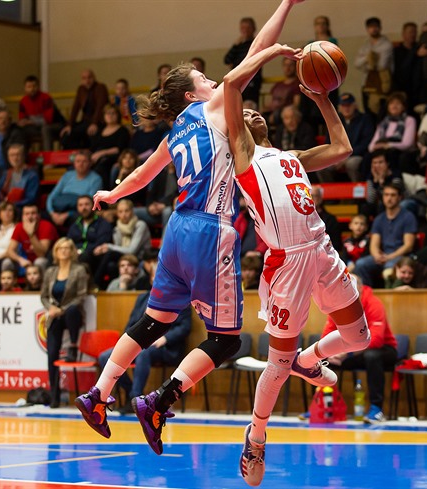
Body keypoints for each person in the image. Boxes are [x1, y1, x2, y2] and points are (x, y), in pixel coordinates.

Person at [75, 0, 308, 455]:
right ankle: (159, 401)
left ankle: (98, 394)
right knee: (225, 340)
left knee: (154, 319)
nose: (211, 81)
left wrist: (110, 195)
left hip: (176, 230)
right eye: (204, 79)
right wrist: (282, 18)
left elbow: (142, 176)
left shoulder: (176, 129)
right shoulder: (215, 106)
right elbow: (250, 57)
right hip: (209, 228)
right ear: (192, 94)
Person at [223, 41, 370, 486]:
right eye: (244, 115)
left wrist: (322, 98)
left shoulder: (292, 158)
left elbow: (342, 146)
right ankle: (256, 436)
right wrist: (268, 56)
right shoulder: (244, 156)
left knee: (358, 339)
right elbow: (231, 84)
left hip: (321, 250)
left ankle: (311, 358)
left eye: (254, 112)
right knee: (277, 363)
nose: (251, 115)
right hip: (286, 263)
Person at [99, 282, 192, 414]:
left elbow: (185, 327)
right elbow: (131, 324)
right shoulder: (142, 298)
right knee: (105, 356)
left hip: (165, 347)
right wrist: (129, 342)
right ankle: (133, 394)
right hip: (140, 343)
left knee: (144, 354)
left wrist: (165, 338)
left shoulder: (180, 298)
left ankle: (134, 397)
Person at [322, 274, 395, 424]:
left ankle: (376, 409)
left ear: (360, 287)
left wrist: (347, 353)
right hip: (350, 351)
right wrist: (331, 352)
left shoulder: (374, 303)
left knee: (372, 356)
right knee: (320, 359)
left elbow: (376, 339)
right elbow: (327, 334)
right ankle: (322, 407)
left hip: (383, 350)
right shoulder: (337, 306)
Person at [41, 237, 89, 408]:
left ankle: (73, 347)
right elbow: (44, 296)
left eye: (68, 248)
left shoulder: (79, 270)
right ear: (56, 251)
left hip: (71, 313)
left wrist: (63, 309)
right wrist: (51, 308)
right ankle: (54, 394)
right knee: (52, 354)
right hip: (55, 315)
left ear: (72, 251)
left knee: (72, 311)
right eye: (60, 248)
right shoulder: (50, 272)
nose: (64, 251)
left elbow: (81, 295)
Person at [353, 182, 417, 287]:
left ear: (400, 197)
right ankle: (366, 295)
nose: (389, 198)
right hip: (383, 256)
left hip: (401, 257)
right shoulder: (379, 219)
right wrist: (377, 255)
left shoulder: (408, 217)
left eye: (393, 195)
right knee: (361, 264)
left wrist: (389, 257)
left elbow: (408, 246)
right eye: (386, 195)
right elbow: (374, 244)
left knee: (390, 266)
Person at [316, 92, 375, 183]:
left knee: (352, 164)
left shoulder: (365, 119)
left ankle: (358, 193)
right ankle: (332, 195)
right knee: (321, 167)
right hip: (338, 156)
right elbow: (329, 142)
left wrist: (345, 157)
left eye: (349, 105)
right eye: (343, 105)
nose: (346, 108)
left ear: (354, 106)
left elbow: (366, 143)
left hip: (357, 155)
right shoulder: (335, 121)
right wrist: (335, 157)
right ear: (339, 107)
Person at [92, 198, 151, 289]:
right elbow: (119, 249)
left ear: (132, 211)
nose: (124, 215)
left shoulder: (140, 225)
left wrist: (108, 246)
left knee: (110, 253)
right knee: (110, 265)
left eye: (126, 211)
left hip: (139, 258)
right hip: (124, 258)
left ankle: (95, 283)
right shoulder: (117, 228)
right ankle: (110, 289)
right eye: (120, 212)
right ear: (117, 213)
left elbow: (132, 250)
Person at [46, 150, 103, 228]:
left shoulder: (96, 179)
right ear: (74, 163)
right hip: (59, 208)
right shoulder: (67, 175)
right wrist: (52, 213)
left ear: (90, 163)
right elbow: (52, 196)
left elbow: (88, 203)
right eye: (78, 161)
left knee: (78, 218)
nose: (81, 164)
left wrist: (68, 214)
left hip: (78, 211)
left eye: (84, 161)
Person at [67, 194, 113, 282]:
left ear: (93, 205)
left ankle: (91, 284)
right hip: (76, 254)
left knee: (85, 256)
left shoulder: (102, 223)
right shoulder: (75, 225)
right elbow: (69, 241)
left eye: (86, 204)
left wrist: (82, 250)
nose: (84, 208)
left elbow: (102, 241)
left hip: (94, 255)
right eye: (80, 205)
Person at [354, 16, 394, 118]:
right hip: (366, 83)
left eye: (376, 26)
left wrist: (366, 61)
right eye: (371, 27)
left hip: (381, 85)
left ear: (380, 28)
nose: (373, 29)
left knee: (380, 114)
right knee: (368, 114)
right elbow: (357, 64)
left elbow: (381, 65)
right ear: (367, 29)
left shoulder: (386, 44)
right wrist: (368, 58)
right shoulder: (365, 45)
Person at [60, 69, 109, 149]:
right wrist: (69, 125)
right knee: (67, 136)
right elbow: (75, 108)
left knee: (92, 134)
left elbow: (100, 107)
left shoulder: (100, 87)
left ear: (94, 78)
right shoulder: (81, 89)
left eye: (89, 77)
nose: (87, 80)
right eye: (84, 78)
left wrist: (94, 123)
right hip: (85, 121)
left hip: (99, 121)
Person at [4, 203, 58, 273]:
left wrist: (31, 234)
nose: (30, 217)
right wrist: (20, 260)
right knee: (7, 262)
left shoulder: (46, 226)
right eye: (27, 214)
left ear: (39, 215)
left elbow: (41, 254)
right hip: (27, 260)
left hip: (48, 260)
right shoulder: (19, 226)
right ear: (22, 216)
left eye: (33, 213)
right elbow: (10, 251)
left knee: (39, 262)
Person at [17, 75, 64, 151]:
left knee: (45, 129)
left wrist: (29, 122)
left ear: (38, 87)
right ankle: (23, 156)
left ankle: (48, 159)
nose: (32, 89)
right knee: (19, 130)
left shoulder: (46, 98)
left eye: (34, 86)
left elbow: (48, 120)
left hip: (55, 124)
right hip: (36, 127)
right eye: (29, 87)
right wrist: (22, 122)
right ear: (25, 88)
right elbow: (22, 118)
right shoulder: (23, 101)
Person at [0, 143, 39, 215]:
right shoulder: (6, 174)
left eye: (18, 155)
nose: (15, 158)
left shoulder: (32, 175)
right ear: (8, 158)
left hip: (20, 210)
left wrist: (10, 205)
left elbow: (31, 199)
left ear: (23, 156)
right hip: (3, 208)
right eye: (12, 155)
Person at [89, 105, 131, 187]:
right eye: (107, 113)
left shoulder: (122, 131)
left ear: (118, 115)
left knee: (102, 166)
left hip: (114, 158)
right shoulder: (100, 130)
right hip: (97, 157)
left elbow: (119, 148)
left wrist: (102, 153)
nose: (110, 116)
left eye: (113, 113)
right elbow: (93, 147)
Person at [224, 16, 262, 107]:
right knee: (236, 107)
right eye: (243, 28)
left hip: (251, 81)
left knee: (249, 108)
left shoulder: (256, 43)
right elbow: (226, 60)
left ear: (253, 29)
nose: (245, 30)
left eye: (248, 28)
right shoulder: (239, 45)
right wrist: (235, 44)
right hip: (238, 81)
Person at [362, 149, 403, 219]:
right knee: (365, 207)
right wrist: (375, 181)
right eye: (374, 163)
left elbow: (393, 195)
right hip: (377, 205)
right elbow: (370, 200)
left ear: (387, 163)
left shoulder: (396, 175)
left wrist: (381, 181)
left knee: (382, 204)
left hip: (395, 203)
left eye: (380, 162)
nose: (377, 165)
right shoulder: (371, 177)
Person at [392, 22, 422, 113]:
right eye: (410, 32)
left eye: (415, 32)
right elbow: (400, 69)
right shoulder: (397, 51)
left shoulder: (420, 49)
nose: (413, 35)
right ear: (403, 34)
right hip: (402, 87)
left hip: (417, 90)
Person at [310, 185, 342, 253]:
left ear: (320, 198)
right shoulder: (301, 218)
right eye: (309, 196)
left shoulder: (331, 219)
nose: (311, 198)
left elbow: (336, 244)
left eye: (314, 196)